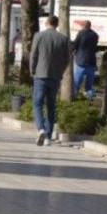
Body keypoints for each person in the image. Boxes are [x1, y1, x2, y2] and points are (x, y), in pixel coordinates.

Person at [30, 16, 71, 146]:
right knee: (51, 106)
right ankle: (48, 136)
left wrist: (32, 70)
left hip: (40, 75)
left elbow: (34, 54)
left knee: (37, 104)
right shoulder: (63, 38)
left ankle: (40, 129)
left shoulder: (39, 36)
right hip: (55, 76)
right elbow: (66, 59)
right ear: (57, 24)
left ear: (47, 23)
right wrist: (60, 71)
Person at [71, 20, 100, 100]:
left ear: (84, 26)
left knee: (76, 84)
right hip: (92, 63)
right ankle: (90, 101)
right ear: (90, 26)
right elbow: (95, 47)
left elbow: (75, 44)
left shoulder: (81, 33)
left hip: (81, 62)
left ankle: (74, 99)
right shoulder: (95, 35)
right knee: (89, 86)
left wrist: (72, 51)